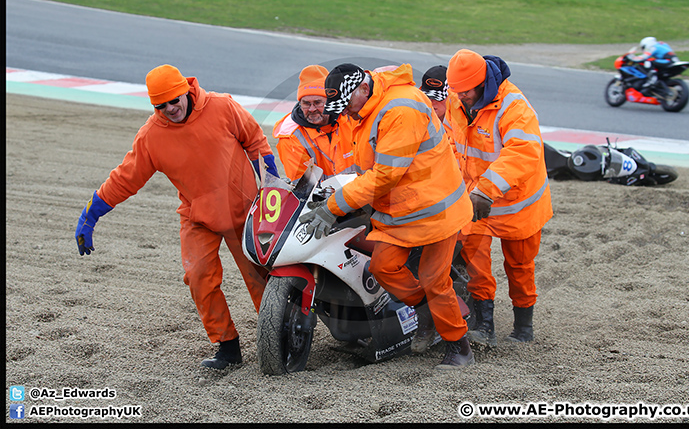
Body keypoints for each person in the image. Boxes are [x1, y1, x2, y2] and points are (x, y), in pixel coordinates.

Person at [74, 64, 279, 370]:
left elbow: (255, 140)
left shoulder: (222, 106)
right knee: (198, 277)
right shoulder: (151, 137)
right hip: (197, 216)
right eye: (161, 105)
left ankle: (277, 338)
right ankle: (227, 346)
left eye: (174, 101)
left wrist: (272, 184)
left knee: (260, 279)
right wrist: (91, 215)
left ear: (186, 91)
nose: (170, 109)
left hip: (245, 212)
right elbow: (125, 179)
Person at [300, 63, 475, 370]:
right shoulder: (366, 108)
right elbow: (367, 165)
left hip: (437, 211)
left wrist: (334, 206)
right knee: (384, 267)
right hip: (404, 211)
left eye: (347, 105)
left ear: (363, 89)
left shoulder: (400, 109)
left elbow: (384, 176)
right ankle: (427, 315)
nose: (347, 114)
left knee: (434, 281)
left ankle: (459, 346)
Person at [445, 49, 553, 348]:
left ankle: (523, 326)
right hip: (477, 200)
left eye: (466, 91)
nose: (460, 96)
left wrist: (486, 188)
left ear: (482, 83)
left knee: (519, 267)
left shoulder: (513, 106)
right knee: (475, 262)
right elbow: (452, 143)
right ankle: (484, 326)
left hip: (518, 203)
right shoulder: (457, 100)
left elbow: (522, 152)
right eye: (456, 91)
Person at [273, 65, 357, 183]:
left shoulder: (351, 117)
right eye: (306, 103)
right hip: (321, 200)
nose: (312, 109)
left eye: (318, 102)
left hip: (363, 192)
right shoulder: (291, 137)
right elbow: (303, 188)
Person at [418, 65, 463, 146]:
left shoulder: (463, 127)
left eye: (437, 98)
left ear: (452, 96)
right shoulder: (413, 119)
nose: (431, 102)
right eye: (427, 96)